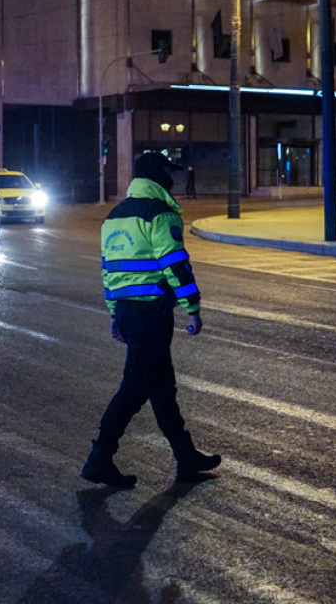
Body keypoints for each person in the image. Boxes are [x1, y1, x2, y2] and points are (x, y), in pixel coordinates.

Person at [80, 152, 221, 489]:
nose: (172, 179)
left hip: (130, 312)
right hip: (152, 313)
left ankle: (186, 457)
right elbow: (175, 263)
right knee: (135, 387)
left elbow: (110, 271)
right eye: (168, 173)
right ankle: (99, 457)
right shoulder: (160, 213)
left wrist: (115, 314)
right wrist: (193, 306)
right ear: (159, 176)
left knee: (162, 388)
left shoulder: (114, 216)